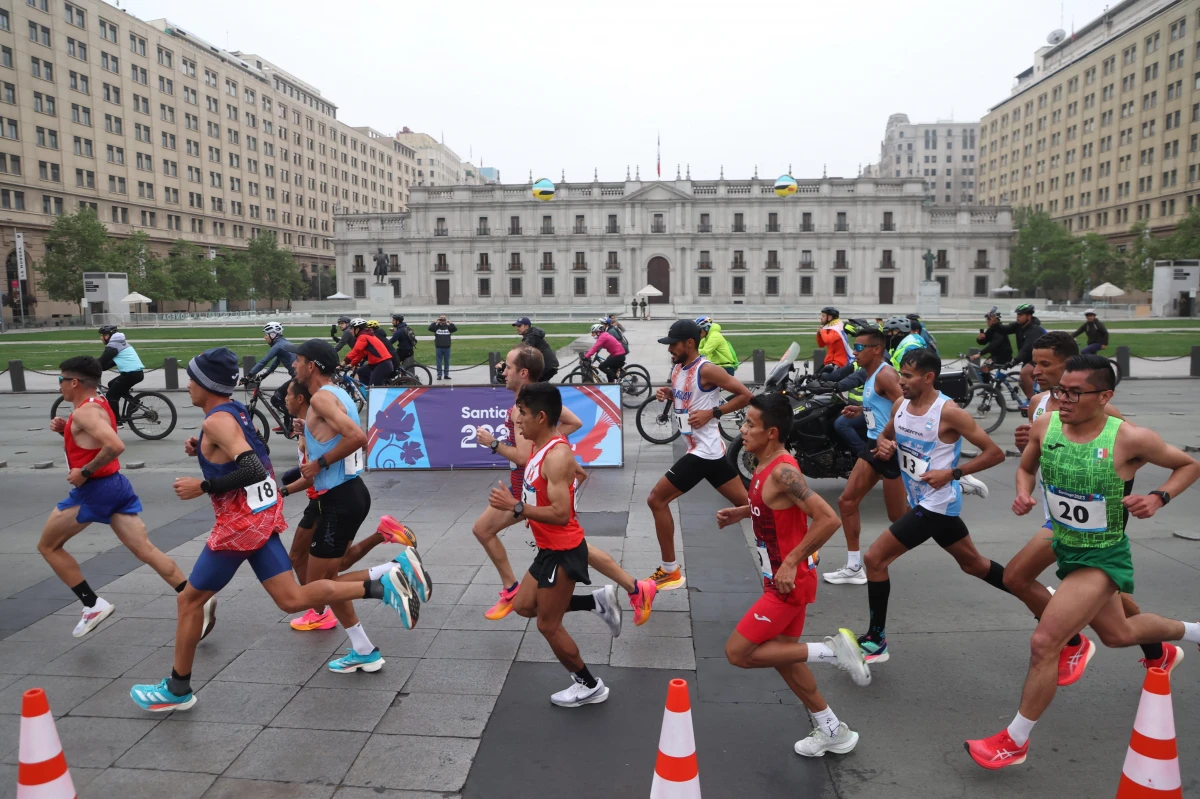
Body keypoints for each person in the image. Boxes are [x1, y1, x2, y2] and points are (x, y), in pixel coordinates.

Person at [129, 347, 420, 712]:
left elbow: (251, 468)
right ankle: (380, 585)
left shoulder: (217, 420)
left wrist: (201, 486)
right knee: (292, 600)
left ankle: (177, 689)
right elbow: (255, 450)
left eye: (191, 378)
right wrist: (202, 452)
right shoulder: (232, 412)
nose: (187, 385)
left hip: (238, 528)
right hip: (261, 520)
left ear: (205, 383)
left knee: (189, 600)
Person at [965, 354, 1200, 770]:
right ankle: (1189, 634)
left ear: (1104, 396)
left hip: (1101, 556)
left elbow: (1189, 464)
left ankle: (1014, 741)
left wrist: (1157, 497)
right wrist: (1023, 491)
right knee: (1118, 633)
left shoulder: (1129, 438)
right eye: (1060, 391)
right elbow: (1026, 467)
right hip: (1061, 539)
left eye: (1075, 392)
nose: (1064, 399)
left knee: (1044, 643)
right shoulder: (1046, 424)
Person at [1001, 331, 1174, 682]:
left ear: (1069, 366)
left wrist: (1144, 494)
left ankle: (1071, 640)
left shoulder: (1101, 407)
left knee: (1032, 580)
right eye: (1035, 362)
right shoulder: (1038, 405)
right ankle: (1158, 649)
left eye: (1046, 364)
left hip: (1096, 520)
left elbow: (1128, 450)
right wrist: (1026, 450)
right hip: (1058, 517)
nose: (1035, 370)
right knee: (1111, 611)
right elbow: (1039, 458)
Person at [718, 393, 872, 757]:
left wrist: (790, 562)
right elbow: (776, 506)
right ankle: (832, 729)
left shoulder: (784, 470)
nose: (742, 430)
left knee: (738, 653)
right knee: (785, 658)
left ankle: (831, 652)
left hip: (788, 582)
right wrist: (744, 511)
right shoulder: (763, 464)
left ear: (771, 432)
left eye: (750, 425)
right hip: (780, 578)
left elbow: (828, 518)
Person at [473, 345, 656, 626]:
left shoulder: (524, 406)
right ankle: (634, 589)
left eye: (507, 366)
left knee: (567, 546)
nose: (502, 370)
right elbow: (574, 421)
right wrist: (547, 441)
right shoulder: (539, 397)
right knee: (573, 547)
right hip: (531, 487)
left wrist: (495, 444)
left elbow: (523, 456)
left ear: (522, 373)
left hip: (533, 489)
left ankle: (514, 591)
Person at [40, 356, 215, 640]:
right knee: (144, 549)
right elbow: (96, 438)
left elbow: (115, 444)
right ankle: (196, 597)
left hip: (95, 490)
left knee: (48, 546)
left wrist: (84, 471)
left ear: (74, 382)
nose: (59, 386)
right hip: (117, 485)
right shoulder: (99, 405)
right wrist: (68, 430)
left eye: (60, 380)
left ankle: (92, 604)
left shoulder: (84, 413)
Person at [854, 348, 1009, 663]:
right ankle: (1044, 602)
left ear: (928, 377)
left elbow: (995, 453)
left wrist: (953, 473)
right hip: (923, 501)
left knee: (874, 559)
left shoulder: (949, 412)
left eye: (908, 376)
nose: (900, 382)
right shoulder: (900, 404)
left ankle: (876, 639)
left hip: (936, 504)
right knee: (974, 565)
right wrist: (885, 446)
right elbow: (885, 438)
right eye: (900, 374)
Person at [486, 383, 614, 706]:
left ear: (541, 417)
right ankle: (594, 602)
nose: (518, 423)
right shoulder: (540, 449)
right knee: (523, 606)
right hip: (548, 549)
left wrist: (517, 507)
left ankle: (589, 685)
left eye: (523, 417)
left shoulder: (557, 455)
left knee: (547, 624)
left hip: (564, 551)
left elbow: (559, 514)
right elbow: (578, 474)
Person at [279, 378, 417, 632]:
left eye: (288, 395)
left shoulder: (321, 427)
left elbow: (354, 442)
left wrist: (284, 490)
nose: (284, 399)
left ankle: (386, 577)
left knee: (319, 575)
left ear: (300, 399)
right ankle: (356, 635)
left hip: (327, 501)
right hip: (339, 497)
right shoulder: (316, 425)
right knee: (331, 569)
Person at [647, 320, 753, 590]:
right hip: (710, 454)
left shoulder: (708, 370)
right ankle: (801, 547)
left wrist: (713, 413)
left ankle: (670, 570)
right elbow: (685, 396)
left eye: (673, 344)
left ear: (689, 343)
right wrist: (669, 393)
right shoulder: (679, 368)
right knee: (754, 507)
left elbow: (745, 395)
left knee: (656, 500)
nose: (670, 349)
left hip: (703, 452)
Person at [821, 325, 909, 586]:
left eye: (859, 348)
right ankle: (853, 566)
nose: (855, 353)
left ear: (877, 349)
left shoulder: (885, 375)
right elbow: (885, 405)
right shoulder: (871, 375)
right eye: (854, 347)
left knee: (899, 518)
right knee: (847, 502)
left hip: (889, 449)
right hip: (873, 445)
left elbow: (906, 405)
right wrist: (862, 409)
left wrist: (890, 440)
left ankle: (940, 516)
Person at [246, 322, 296, 430]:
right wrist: (265, 375)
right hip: (298, 377)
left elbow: (263, 361)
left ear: (273, 335)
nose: (264, 337)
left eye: (266, 335)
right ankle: (287, 425)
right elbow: (275, 362)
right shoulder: (282, 344)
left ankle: (294, 423)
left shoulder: (278, 346)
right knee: (282, 397)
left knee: (276, 399)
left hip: (299, 378)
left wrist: (248, 375)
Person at [998, 303, 1047, 403]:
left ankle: (1032, 401)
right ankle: (1034, 399)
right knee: (1021, 382)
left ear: (1028, 316)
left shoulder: (1034, 329)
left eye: (1020, 315)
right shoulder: (1018, 326)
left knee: (1025, 374)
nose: (1018, 317)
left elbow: (1026, 349)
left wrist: (1013, 362)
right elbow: (1003, 330)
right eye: (1017, 315)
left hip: (1042, 356)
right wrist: (996, 322)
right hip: (1029, 357)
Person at [97, 326, 145, 420]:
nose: (100, 338)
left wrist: (85, 366)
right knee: (112, 384)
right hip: (135, 373)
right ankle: (133, 402)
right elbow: (105, 365)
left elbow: (101, 361)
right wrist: (100, 367)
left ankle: (117, 421)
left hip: (131, 374)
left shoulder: (112, 347)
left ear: (107, 336)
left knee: (111, 395)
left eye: (102, 336)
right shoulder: (120, 343)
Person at [343, 318, 395, 386]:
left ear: (357, 329)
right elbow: (361, 354)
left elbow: (355, 351)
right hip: (377, 363)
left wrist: (343, 363)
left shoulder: (363, 337)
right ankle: (367, 393)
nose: (350, 331)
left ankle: (371, 393)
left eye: (352, 329)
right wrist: (352, 364)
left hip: (382, 364)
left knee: (373, 388)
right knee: (360, 372)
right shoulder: (367, 336)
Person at [513, 316, 560, 381]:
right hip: (546, 365)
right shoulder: (530, 335)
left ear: (526, 326)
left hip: (547, 366)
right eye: (517, 326)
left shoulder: (531, 336)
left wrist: (508, 363)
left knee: (533, 384)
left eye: (519, 326)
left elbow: (522, 350)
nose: (517, 328)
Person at [970, 307, 1013, 375]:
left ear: (995, 319)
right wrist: (980, 339)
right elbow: (984, 342)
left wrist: (980, 354)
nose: (987, 321)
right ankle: (989, 385)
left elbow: (993, 345)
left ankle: (988, 386)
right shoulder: (991, 330)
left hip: (1004, 356)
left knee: (984, 368)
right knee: (982, 369)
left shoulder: (1000, 330)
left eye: (989, 319)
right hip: (995, 355)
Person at [429, 314, 457, 379]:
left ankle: (446, 375)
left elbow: (455, 329)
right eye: (441, 318)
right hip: (439, 347)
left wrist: (449, 322)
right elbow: (430, 328)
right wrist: (435, 322)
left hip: (447, 347)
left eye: (444, 318)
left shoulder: (448, 327)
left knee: (447, 361)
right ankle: (439, 375)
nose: (442, 320)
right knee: (439, 362)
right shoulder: (436, 327)